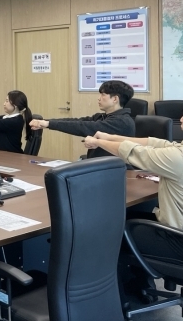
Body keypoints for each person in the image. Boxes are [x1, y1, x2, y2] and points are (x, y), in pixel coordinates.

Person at [84, 127, 183, 302]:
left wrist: (98, 142)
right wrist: (111, 137)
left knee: (107, 230)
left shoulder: (177, 158)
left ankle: (115, 301)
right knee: (129, 218)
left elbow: (134, 152)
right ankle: (141, 284)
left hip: (176, 242)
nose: (181, 119)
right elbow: (159, 144)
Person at [29, 80, 135, 158]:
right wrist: (46, 122)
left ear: (115, 99)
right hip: (98, 167)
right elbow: (78, 121)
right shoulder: (102, 117)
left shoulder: (122, 122)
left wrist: (48, 124)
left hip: (115, 171)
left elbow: (83, 127)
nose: (99, 98)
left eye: (103, 95)